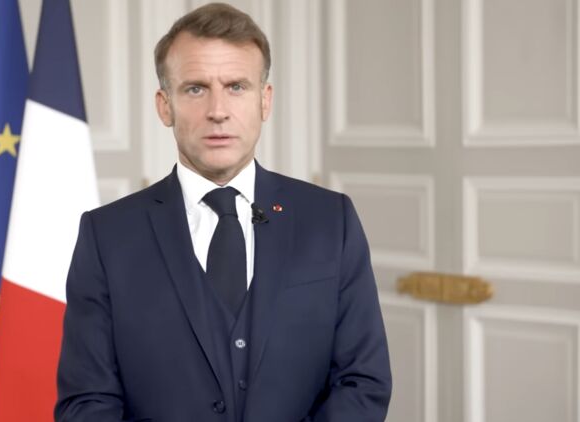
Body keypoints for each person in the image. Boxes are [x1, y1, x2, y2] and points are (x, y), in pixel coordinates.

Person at [55, 3, 391, 421]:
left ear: (264, 101)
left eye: (236, 86)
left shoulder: (331, 221)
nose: (218, 110)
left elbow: (363, 381)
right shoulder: (106, 236)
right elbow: (87, 402)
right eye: (196, 89)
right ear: (165, 105)